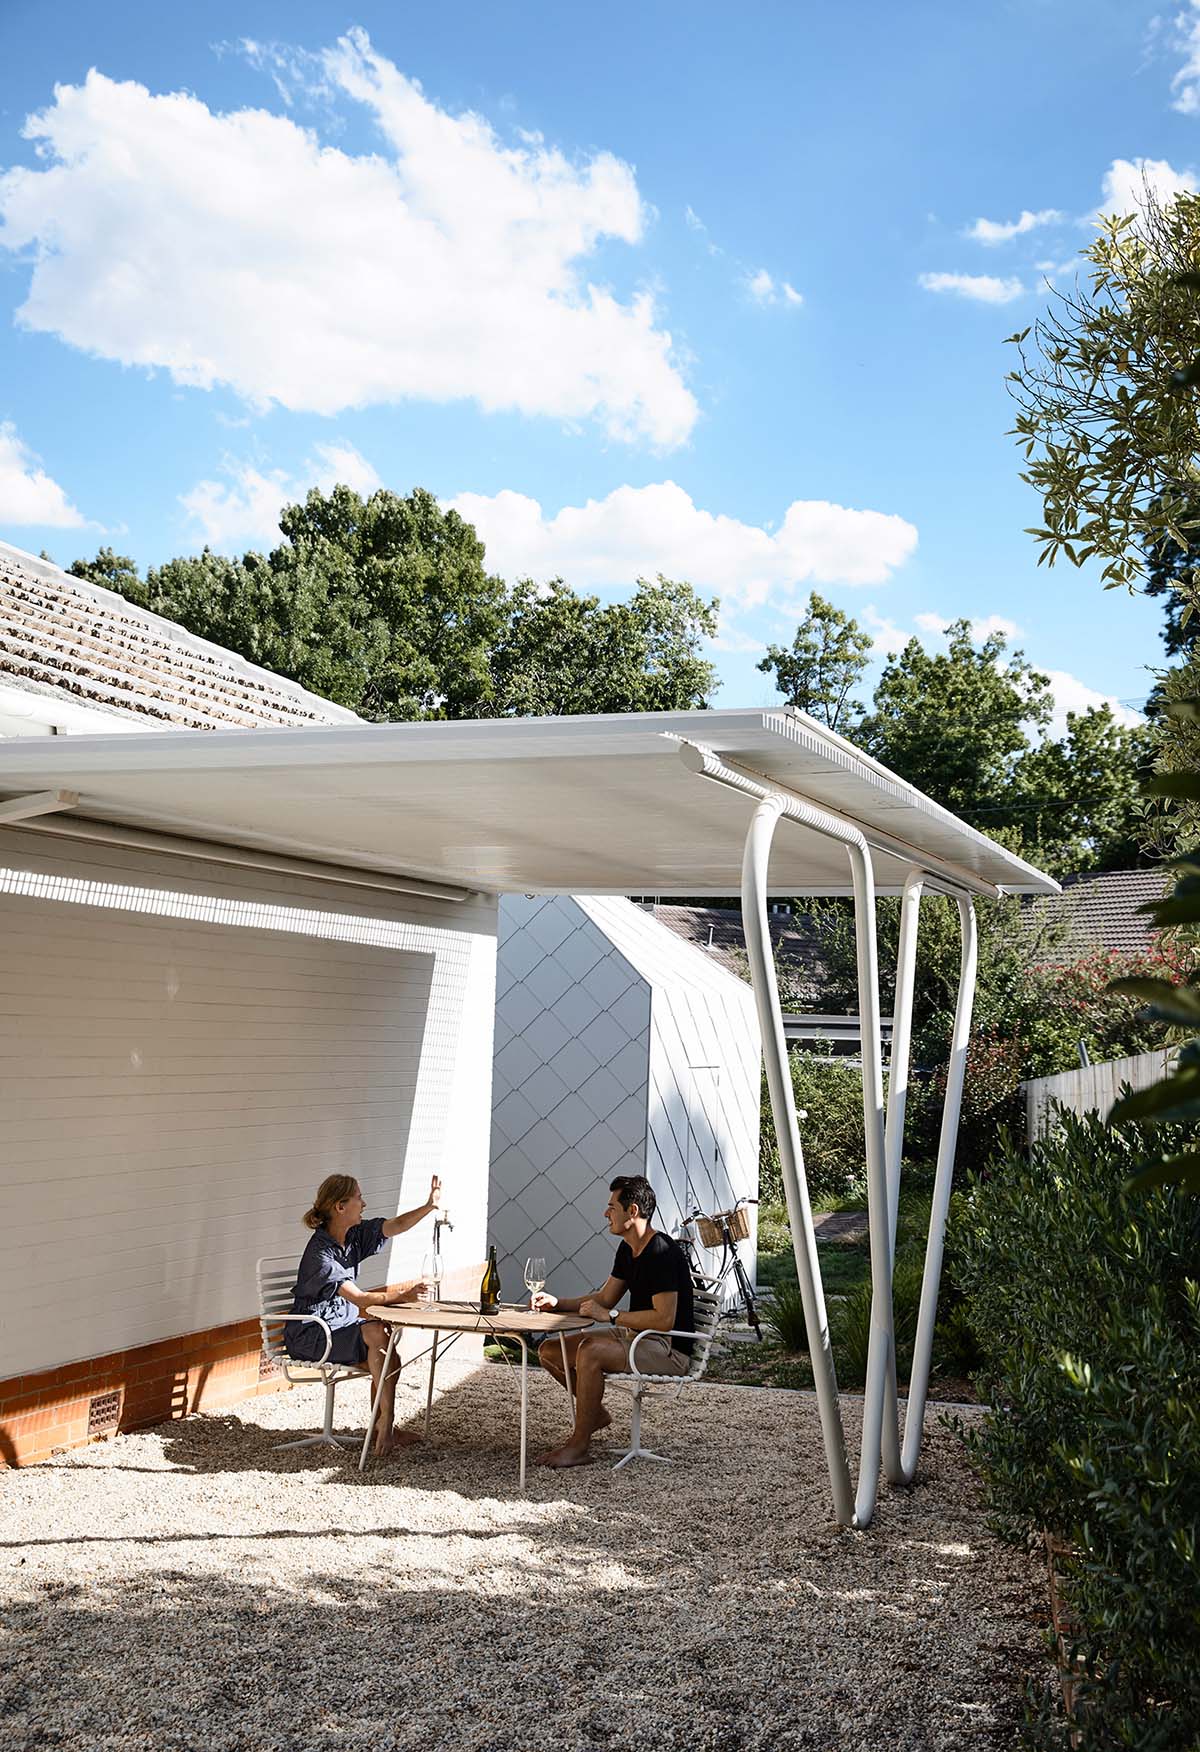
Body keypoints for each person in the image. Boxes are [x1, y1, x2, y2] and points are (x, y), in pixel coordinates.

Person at [532, 1174, 694, 1469]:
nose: (605, 1214)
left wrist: (614, 1317)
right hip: (637, 1336)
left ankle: (578, 1446)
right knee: (550, 1351)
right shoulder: (628, 1250)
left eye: (611, 1207)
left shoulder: (662, 1252)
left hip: (669, 1348)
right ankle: (594, 1415)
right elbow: (605, 1299)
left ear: (632, 1211)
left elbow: (664, 1319)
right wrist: (558, 1304)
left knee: (590, 1350)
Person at [288, 1172, 441, 1457]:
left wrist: (428, 1206)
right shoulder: (320, 1255)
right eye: (359, 1198)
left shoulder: (353, 1235)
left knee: (387, 1351)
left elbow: (395, 1226)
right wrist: (404, 1295)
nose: (364, 1203)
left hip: (340, 1328)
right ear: (340, 1207)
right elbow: (361, 1299)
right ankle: (387, 1424)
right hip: (313, 1334)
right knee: (376, 1333)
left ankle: (382, 1427)